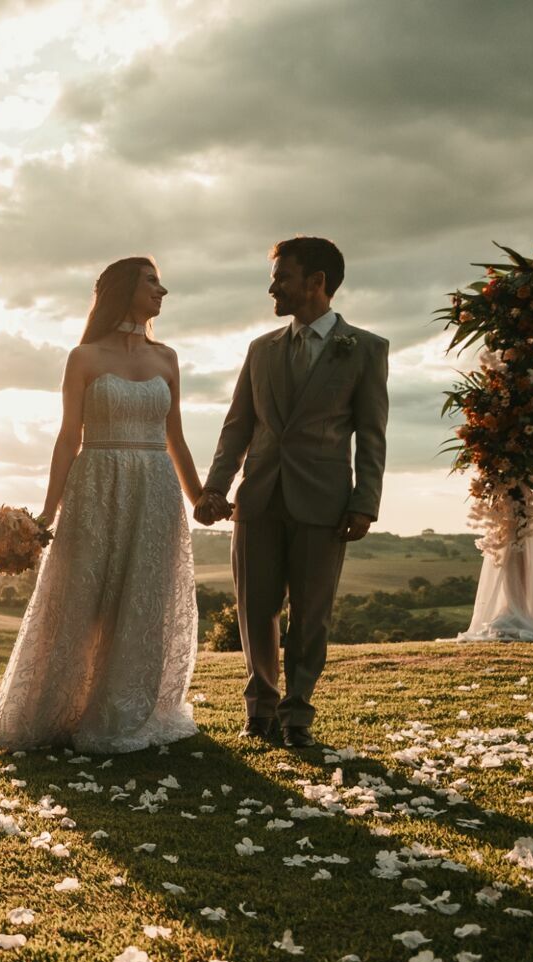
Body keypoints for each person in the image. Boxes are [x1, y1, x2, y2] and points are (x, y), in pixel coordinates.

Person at [0, 257, 202, 754]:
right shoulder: (83, 357)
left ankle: (124, 711)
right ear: (123, 290)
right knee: (81, 599)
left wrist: (200, 497)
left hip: (155, 490)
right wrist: (46, 516)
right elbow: (68, 438)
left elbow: (176, 439)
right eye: (151, 281)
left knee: (144, 598)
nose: (162, 290)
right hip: (95, 486)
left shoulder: (168, 358)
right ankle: (59, 711)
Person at [194, 236, 389, 749]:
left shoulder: (366, 349)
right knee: (255, 610)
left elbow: (372, 435)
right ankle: (260, 709)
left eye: (282, 277)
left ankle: (297, 714)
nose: (273, 288)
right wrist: (215, 487)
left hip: (325, 502)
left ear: (316, 282)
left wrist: (365, 502)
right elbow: (237, 427)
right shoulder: (261, 350)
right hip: (257, 497)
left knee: (310, 615)